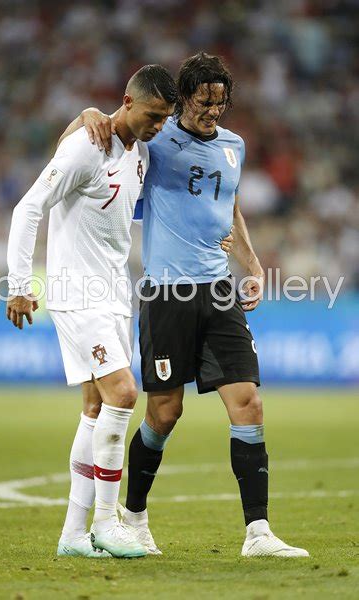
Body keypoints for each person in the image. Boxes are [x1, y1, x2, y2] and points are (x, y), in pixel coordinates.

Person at [63, 52, 309, 558]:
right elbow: (87, 146)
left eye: (220, 103)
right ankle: (133, 518)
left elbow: (230, 208)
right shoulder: (155, 142)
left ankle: (258, 533)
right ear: (183, 100)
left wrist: (254, 266)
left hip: (218, 292)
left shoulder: (234, 147)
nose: (212, 112)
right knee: (164, 412)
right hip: (165, 294)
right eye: (203, 102)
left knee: (249, 402)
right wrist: (86, 115)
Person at [6, 65, 178, 559]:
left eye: (165, 118)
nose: (157, 126)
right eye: (151, 115)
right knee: (124, 392)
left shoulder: (139, 152)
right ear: (127, 101)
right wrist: (19, 285)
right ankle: (107, 522)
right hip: (76, 293)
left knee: (96, 408)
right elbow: (28, 208)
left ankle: (73, 536)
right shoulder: (87, 144)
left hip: (113, 294)